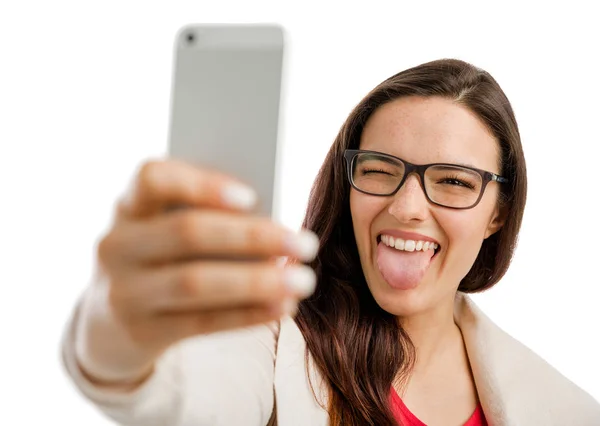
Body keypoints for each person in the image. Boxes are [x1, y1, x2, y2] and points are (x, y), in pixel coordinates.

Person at [61, 58, 600, 426]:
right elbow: (185, 399)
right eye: (379, 169)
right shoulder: (272, 330)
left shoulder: (565, 407)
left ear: (497, 214)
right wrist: (113, 339)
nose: (407, 206)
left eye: (453, 181)